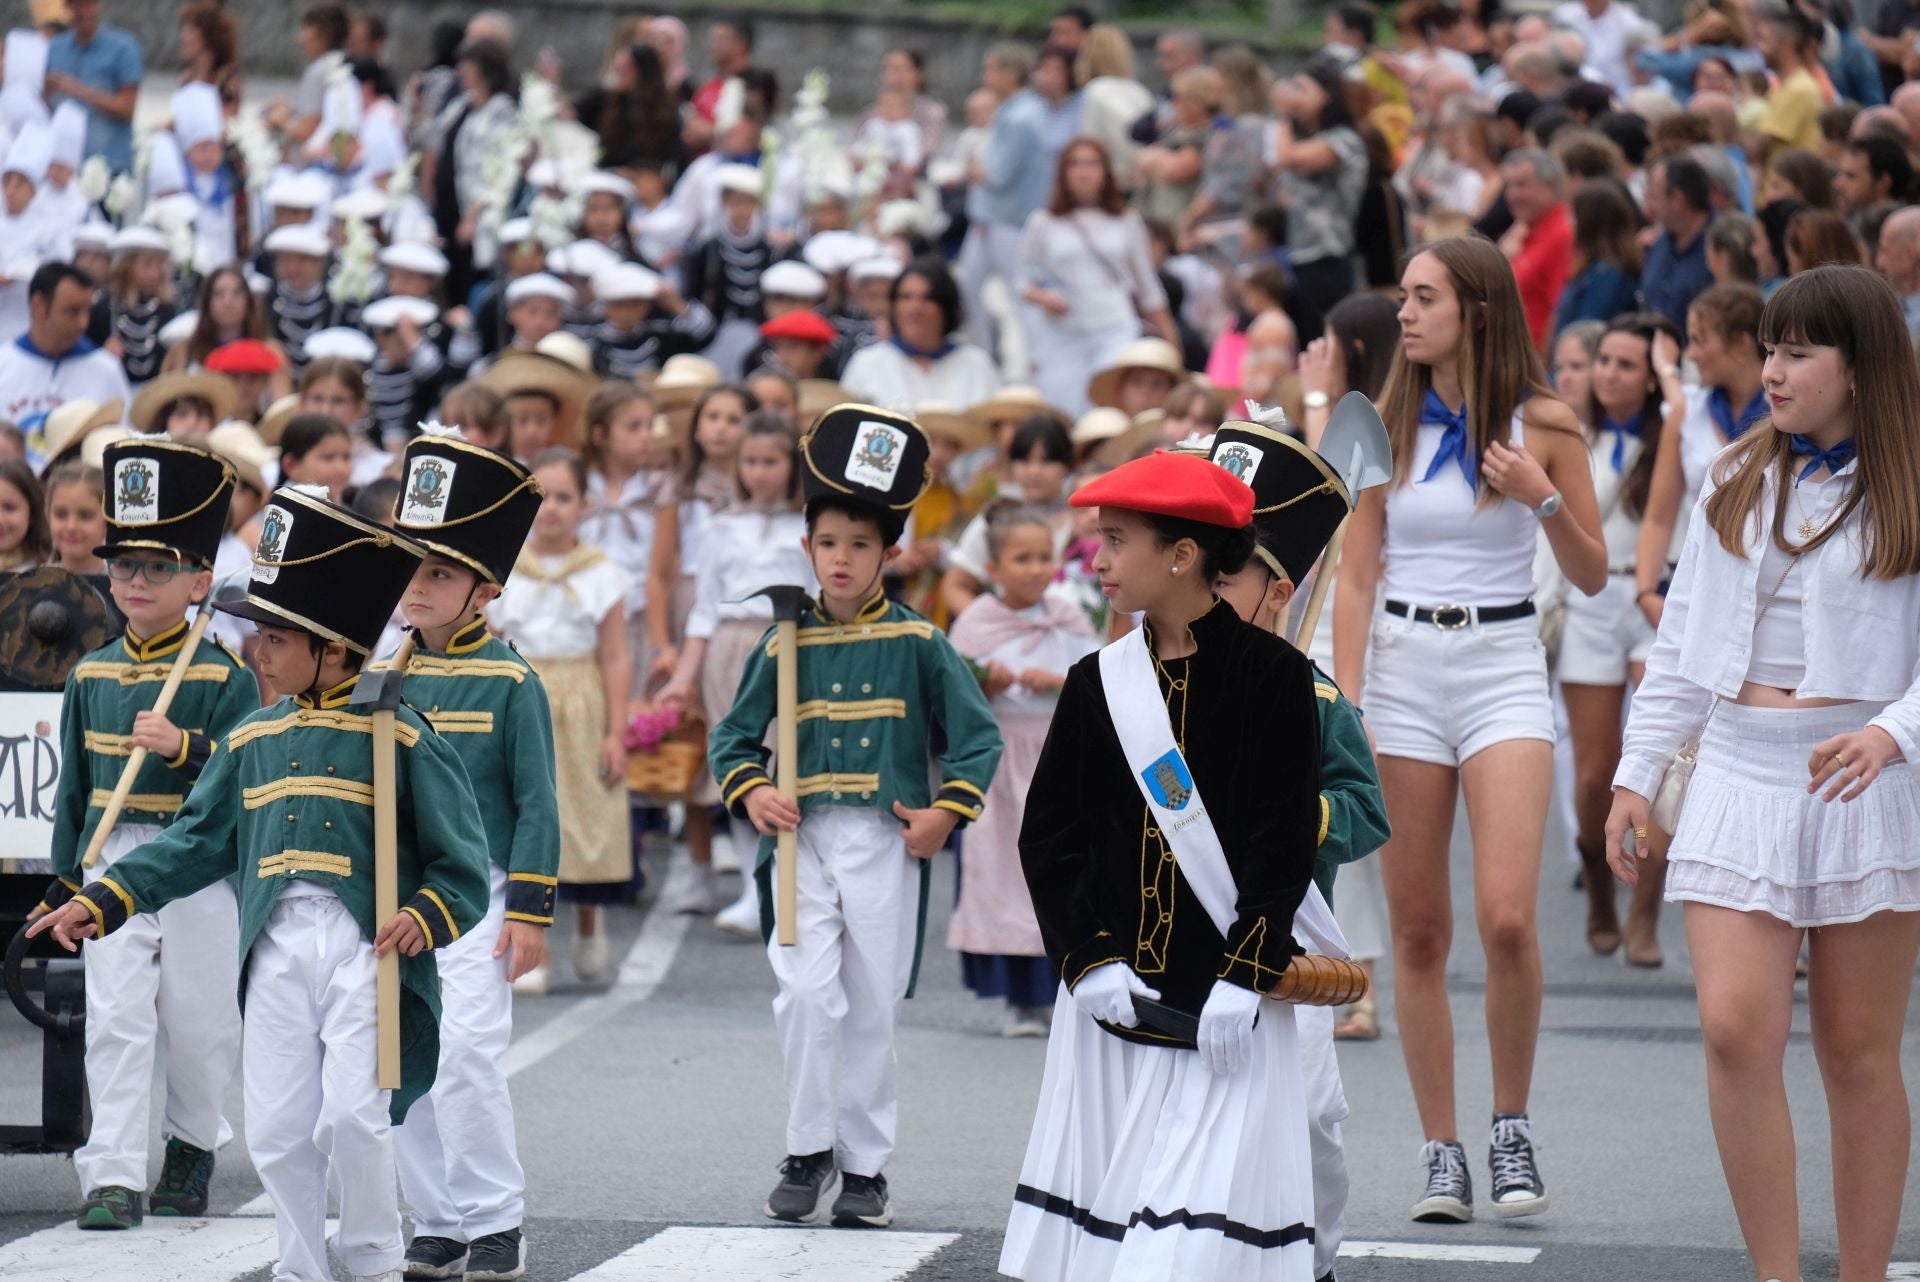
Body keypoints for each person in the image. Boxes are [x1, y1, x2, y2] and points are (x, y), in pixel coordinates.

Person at [28, 482, 492, 1282]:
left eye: (277, 638)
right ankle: (301, 1267)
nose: (259, 651)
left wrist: (427, 912)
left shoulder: (401, 730)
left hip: (366, 944)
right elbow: (195, 842)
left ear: (336, 648)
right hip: (274, 946)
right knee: (278, 1129)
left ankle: (377, 1258)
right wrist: (102, 898)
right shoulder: (255, 736)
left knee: (353, 1114)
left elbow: (461, 863)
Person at [1606, 265, 1920, 1282]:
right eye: (1771, 350)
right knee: (1737, 1029)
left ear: (1862, 368)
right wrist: (1635, 776)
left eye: (1798, 352)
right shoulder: (1734, 473)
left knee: (1857, 1049)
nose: (1772, 371)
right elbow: (1687, 645)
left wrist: (1894, 735)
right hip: (1738, 767)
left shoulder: (1913, 484)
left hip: (1866, 780)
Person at [1333, 236, 1608, 1223]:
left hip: (1502, 666)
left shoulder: (1546, 420)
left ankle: (1510, 1121)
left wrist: (1540, 496)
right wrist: (1349, 697)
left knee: (1506, 916)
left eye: (1423, 297)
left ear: (1477, 309)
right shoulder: (1377, 423)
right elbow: (1358, 572)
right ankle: (1441, 1147)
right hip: (1402, 671)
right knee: (1417, 928)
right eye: (1403, 297)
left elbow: (1591, 572)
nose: (1403, 314)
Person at [999, 447, 1323, 1282]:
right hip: (1112, 1010)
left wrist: (1245, 975)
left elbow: (1280, 844)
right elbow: (1051, 838)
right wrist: (1087, 960)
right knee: (1099, 1244)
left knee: (1186, 1253)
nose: (1097, 561)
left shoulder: (1276, 679)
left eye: (1114, 540)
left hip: (1227, 1017)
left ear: (1182, 556)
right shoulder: (1095, 681)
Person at [710, 406, 1001, 1230]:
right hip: (799, 842)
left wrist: (946, 814)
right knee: (803, 994)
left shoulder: (919, 642)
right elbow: (733, 738)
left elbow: (977, 743)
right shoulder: (780, 644)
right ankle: (807, 1150)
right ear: (807, 549)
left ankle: (866, 1169)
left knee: (871, 1003)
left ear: (891, 553)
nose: (843, 559)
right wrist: (752, 789)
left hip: (884, 839)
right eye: (829, 543)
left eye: (861, 545)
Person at [26, 438, 253, 1231]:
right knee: (118, 1016)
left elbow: (248, 782)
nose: (135, 582)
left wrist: (186, 750)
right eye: (124, 567)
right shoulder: (90, 674)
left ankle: (191, 1144)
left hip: (197, 863)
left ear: (200, 582)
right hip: (112, 860)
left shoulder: (226, 676)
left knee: (198, 1017)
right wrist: (64, 878)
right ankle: (113, 1172)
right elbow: (75, 795)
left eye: (158, 569)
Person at [1205, 417, 1392, 1282]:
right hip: (1186, 932)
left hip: (1290, 936)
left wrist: (1300, 814)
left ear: (1277, 593)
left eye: (1229, 572)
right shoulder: (1148, 685)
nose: (1206, 585)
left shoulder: (1315, 699)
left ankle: (1312, 1259)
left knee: (1310, 1114)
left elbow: (1363, 808)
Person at [384, 429, 559, 1282]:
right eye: (411, 569)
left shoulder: (514, 681)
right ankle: (436, 1218)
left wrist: (529, 912)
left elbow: (537, 802)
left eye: (440, 573)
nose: (418, 587)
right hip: (394, 894)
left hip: (479, 895)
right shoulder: (378, 680)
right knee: (403, 1052)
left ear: (485, 588)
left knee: (467, 1054)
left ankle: (496, 1219)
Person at [658, 413, 813, 938]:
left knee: (791, 761)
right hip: (731, 649)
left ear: (792, 465)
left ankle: (790, 880)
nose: (761, 472)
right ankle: (755, 888)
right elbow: (705, 608)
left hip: (794, 642)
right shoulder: (721, 526)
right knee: (743, 762)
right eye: (752, 462)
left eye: (771, 461)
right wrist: (684, 675)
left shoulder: (809, 525)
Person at [946, 503, 1097, 1036]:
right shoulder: (976, 622)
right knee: (1001, 873)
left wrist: (1056, 682)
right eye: (1021, 558)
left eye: (1042, 558)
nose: (1035, 569)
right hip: (1001, 758)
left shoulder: (1069, 613)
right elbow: (952, 696)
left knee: (1059, 870)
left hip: (1054, 756)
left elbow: (1094, 678)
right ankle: (1017, 996)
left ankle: (1067, 987)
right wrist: (985, 683)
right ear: (993, 569)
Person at [486, 447, 632, 990]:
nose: (551, 510)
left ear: (585, 505)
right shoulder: (502, 570)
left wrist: (617, 732)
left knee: (584, 815)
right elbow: (493, 642)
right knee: (525, 815)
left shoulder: (601, 572)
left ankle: (590, 922)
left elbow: (615, 655)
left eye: (564, 498)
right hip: (521, 689)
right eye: (541, 499)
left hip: (580, 698)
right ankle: (533, 946)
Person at [644, 383, 758, 914]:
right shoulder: (679, 486)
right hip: (691, 613)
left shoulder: (760, 482)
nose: (720, 427)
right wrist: (663, 642)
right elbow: (660, 571)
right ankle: (698, 869)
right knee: (690, 744)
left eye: (733, 417)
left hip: (739, 618)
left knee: (740, 745)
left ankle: (757, 874)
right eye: (711, 416)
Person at [1018, 138, 1175, 418]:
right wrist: (1042, 297)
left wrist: (1171, 340)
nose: (1083, 172)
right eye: (1074, 164)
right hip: (1062, 333)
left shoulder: (1126, 220)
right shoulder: (1042, 223)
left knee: (1107, 409)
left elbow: (1148, 288)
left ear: (1105, 171)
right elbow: (1022, 282)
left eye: (1091, 163)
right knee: (1062, 409)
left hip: (1114, 327)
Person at [959, 45, 1051, 362]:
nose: (986, 76)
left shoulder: (1020, 116)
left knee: (1019, 296)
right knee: (970, 284)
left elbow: (995, 174)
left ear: (1011, 74)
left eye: (992, 69)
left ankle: (1029, 360)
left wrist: (972, 167)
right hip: (995, 219)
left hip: (1009, 221)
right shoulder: (1020, 110)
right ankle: (985, 353)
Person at [1270, 60, 1371, 343]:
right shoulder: (1306, 137)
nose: (1295, 97)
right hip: (1301, 254)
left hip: (1329, 255)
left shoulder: (1344, 139)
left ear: (1327, 95)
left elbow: (1287, 158)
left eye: (1302, 89)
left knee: (1325, 342)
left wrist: (1282, 114)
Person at [0, 264, 131, 470]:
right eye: (72, 311)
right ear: (38, 305)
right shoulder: (4, 364)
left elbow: (125, 441)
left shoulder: (106, 369)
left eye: (87, 311)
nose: (83, 323)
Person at [842, 259, 1003, 412]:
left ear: (945, 306)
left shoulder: (977, 365)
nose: (915, 308)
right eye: (906, 297)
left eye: (927, 298)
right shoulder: (866, 364)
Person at [43, 0, 141, 176]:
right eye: (77, 5)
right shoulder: (55, 48)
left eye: (90, 4)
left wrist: (77, 89)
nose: (84, 11)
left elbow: (127, 108)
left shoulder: (123, 48)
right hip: (64, 171)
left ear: (100, 5)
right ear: (68, 8)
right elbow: (44, 105)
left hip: (109, 167)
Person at [1496, 147, 1575, 350]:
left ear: (1550, 186)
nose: (1512, 195)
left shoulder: (1562, 235)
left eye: (1522, 185)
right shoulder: (1524, 230)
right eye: (1509, 186)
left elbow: (1559, 311)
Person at [1554, 179, 1644, 333]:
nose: (1568, 222)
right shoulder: (1591, 269)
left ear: (1587, 222)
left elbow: (1587, 330)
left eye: (1573, 215)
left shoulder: (1608, 275)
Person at [1641, 154, 1717, 331]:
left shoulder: (1719, 248)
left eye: (1654, 195)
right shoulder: (1657, 244)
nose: (1647, 200)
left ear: (1678, 199)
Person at [43, 460, 105, 577]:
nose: (71, 526)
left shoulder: (124, 588)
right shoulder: (32, 586)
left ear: (107, 520)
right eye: (61, 514)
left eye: (85, 515)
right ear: (47, 515)